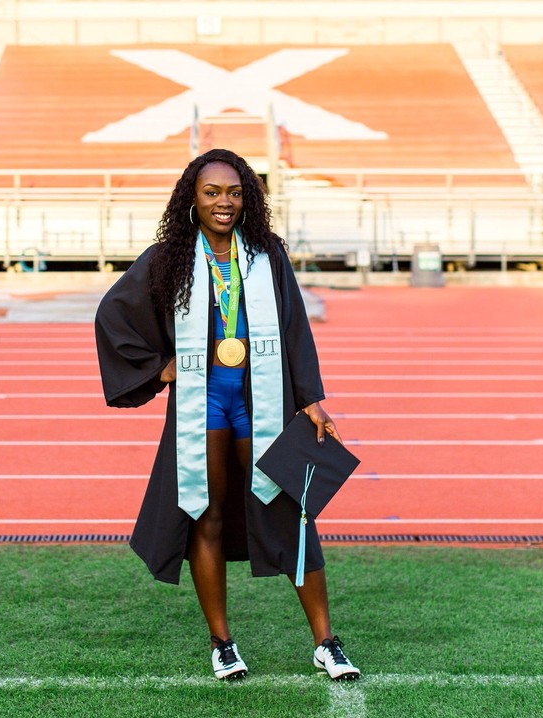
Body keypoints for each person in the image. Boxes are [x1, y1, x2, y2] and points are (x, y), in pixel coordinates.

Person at [94, 148, 360, 682]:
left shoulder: (265, 253)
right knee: (205, 512)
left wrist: (309, 397)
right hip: (204, 403)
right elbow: (113, 313)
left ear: (248, 199)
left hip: (261, 400)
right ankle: (222, 643)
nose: (225, 202)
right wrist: (159, 368)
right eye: (212, 192)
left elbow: (295, 327)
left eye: (235, 193)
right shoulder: (169, 257)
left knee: (291, 510)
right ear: (192, 198)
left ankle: (325, 642)